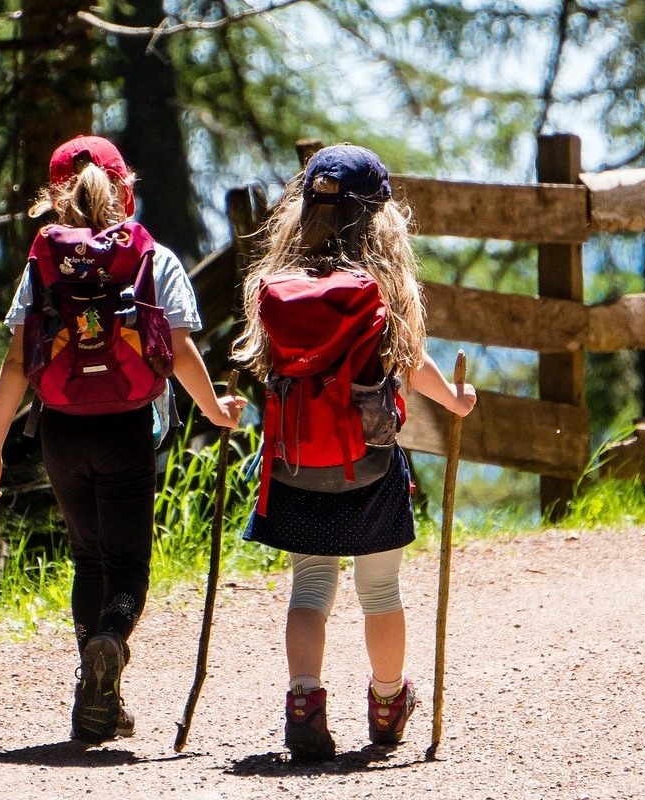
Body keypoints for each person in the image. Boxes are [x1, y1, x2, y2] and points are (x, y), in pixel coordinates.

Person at [0, 134, 246, 744]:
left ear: (53, 197)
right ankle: (109, 644)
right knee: (127, 566)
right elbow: (176, 352)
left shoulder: (42, 265)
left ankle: (96, 697)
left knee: (87, 558)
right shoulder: (152, 257)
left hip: (61, 430)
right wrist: (217, 412)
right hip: (128, 428)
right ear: (125, 188)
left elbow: (18, 362)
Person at [231, 143, 477, 760]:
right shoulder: (379, 289)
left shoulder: (274, 286)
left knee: (310, 590)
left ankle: (304, 700)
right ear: (380, 218)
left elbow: (262, 369)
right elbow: (409, 363)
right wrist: (454, 400)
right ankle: (389, 701)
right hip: (366, 470)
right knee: (380, 592)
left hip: (292, 470)